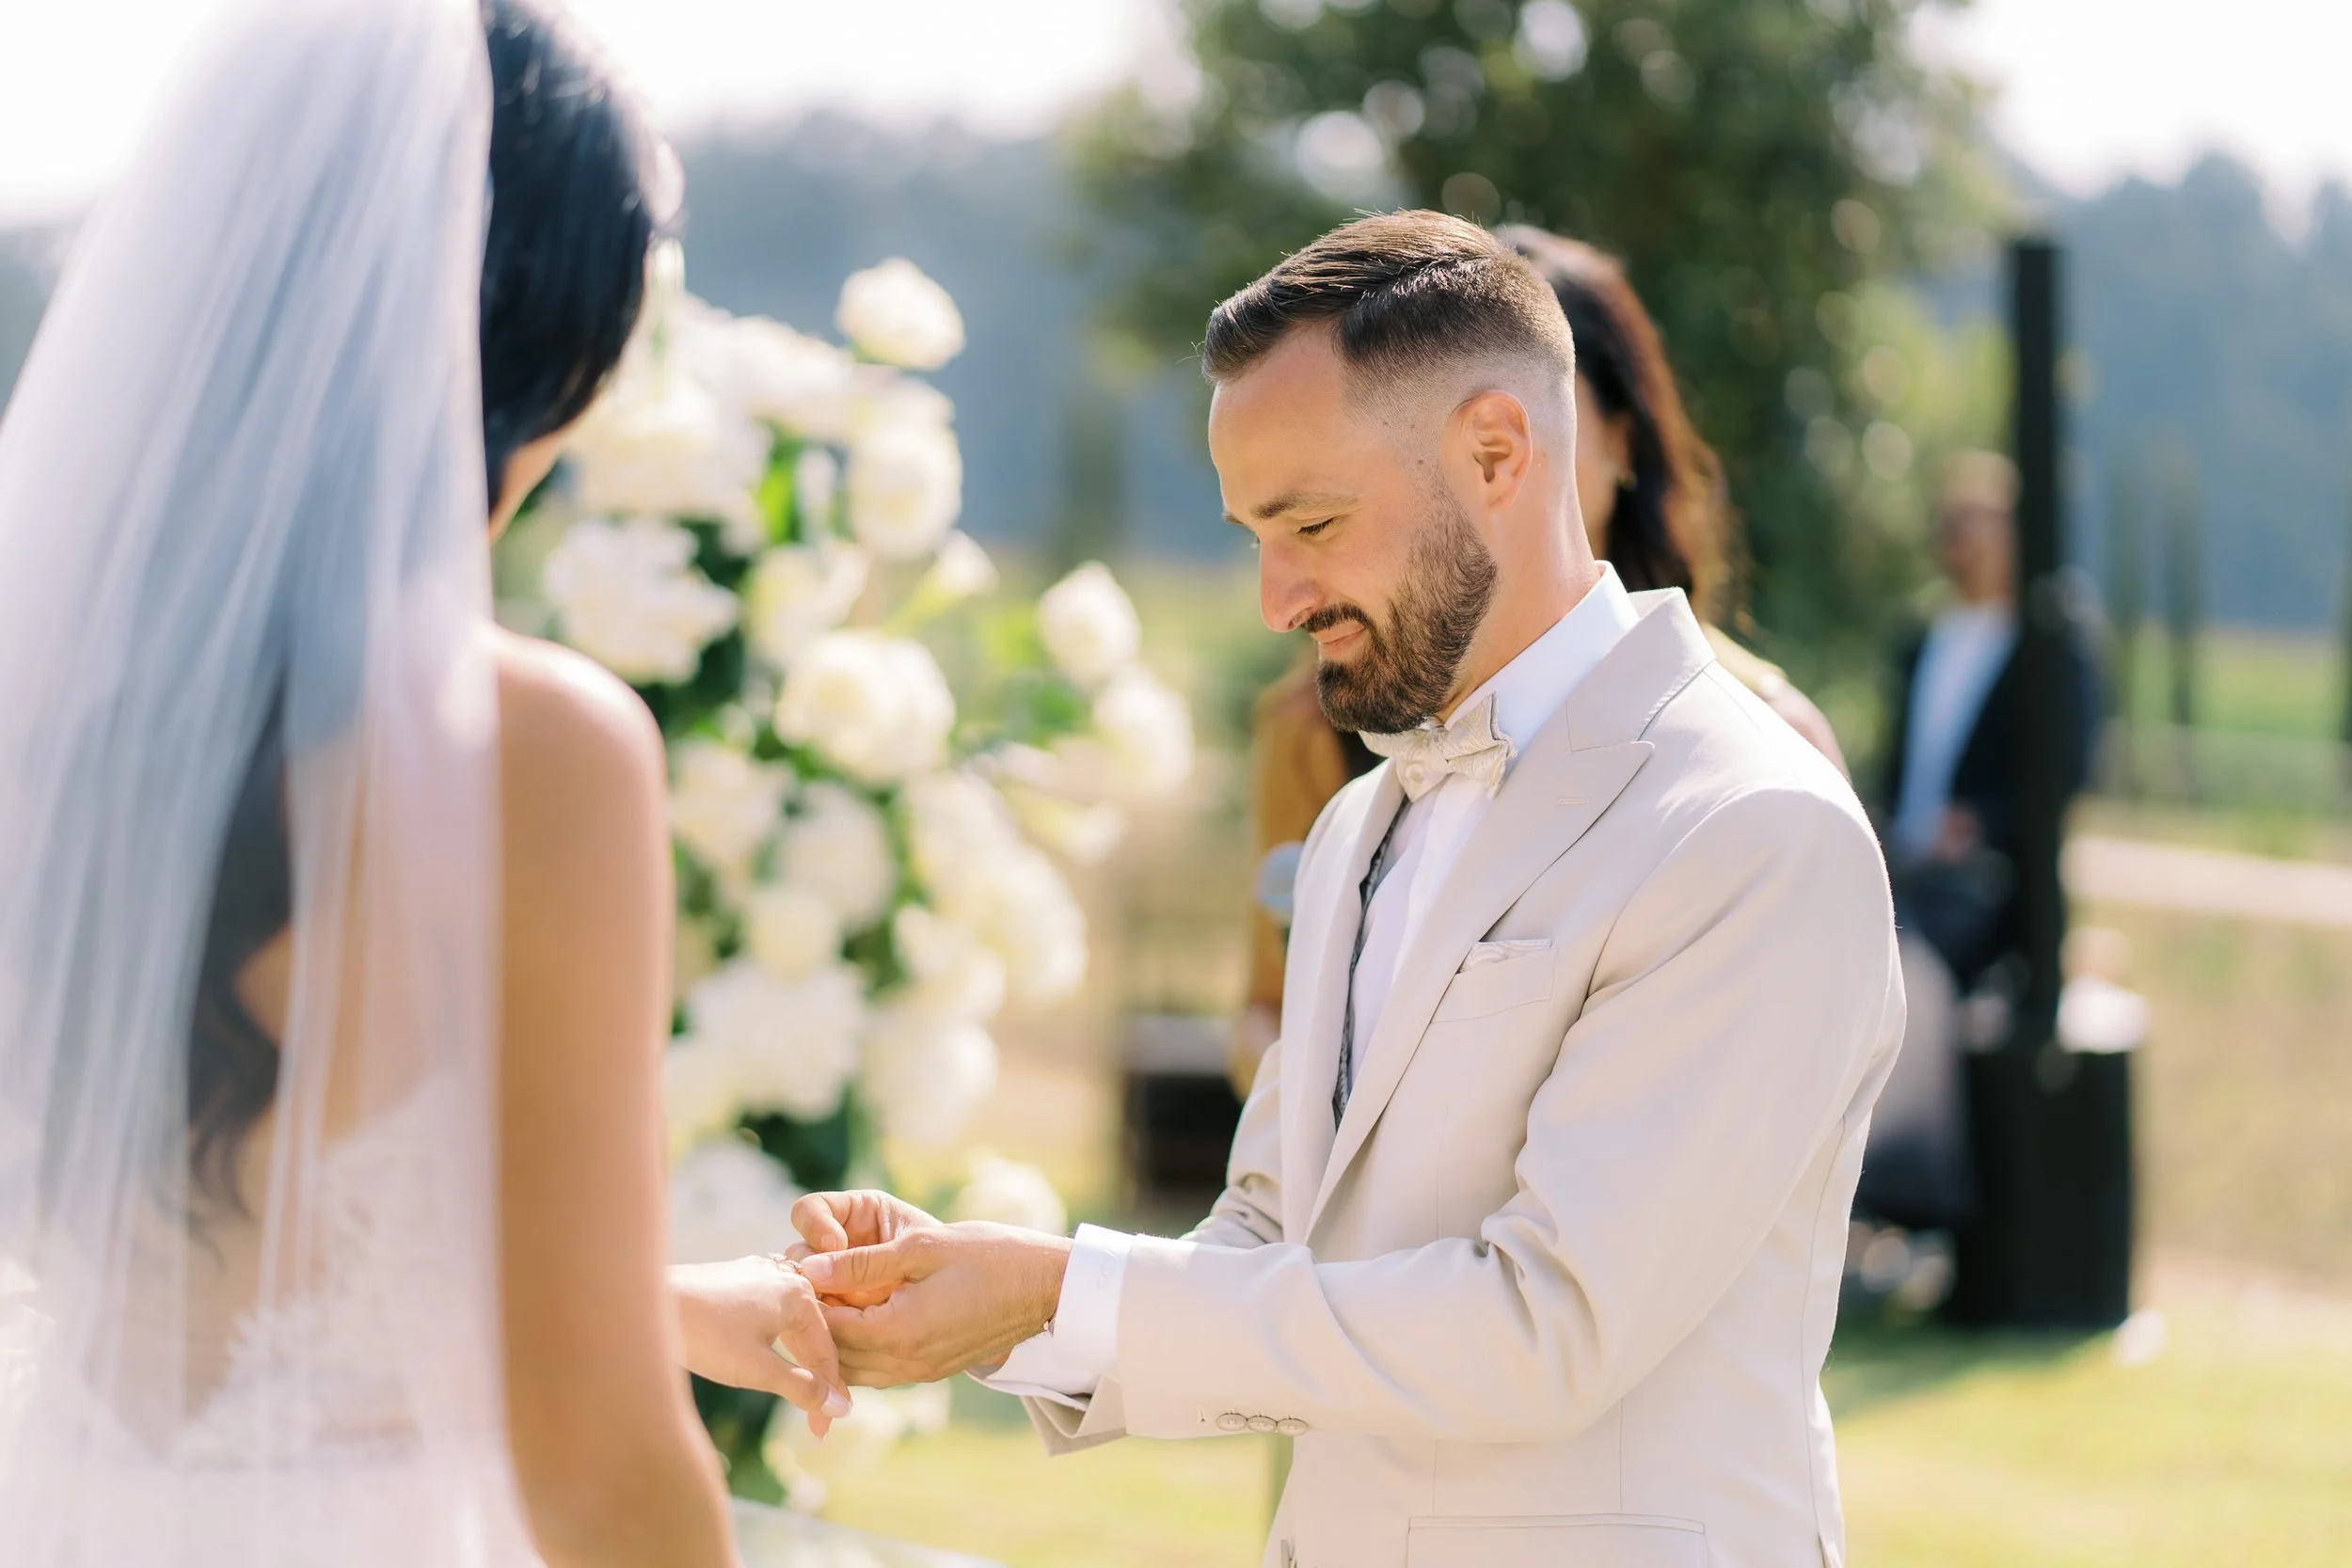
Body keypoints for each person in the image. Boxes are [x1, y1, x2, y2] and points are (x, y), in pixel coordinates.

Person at [747, 214, 1904, 1568]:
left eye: (1313, 522)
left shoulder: (1751, 825)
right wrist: (998, 1296)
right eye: (1252, 533)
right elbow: (1271, 1233)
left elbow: (1548, 1325)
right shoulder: (1360, 824)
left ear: (1497, 451)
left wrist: (1065, 1286)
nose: (1275, 596)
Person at [0, 2, 842, 1561]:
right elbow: (593, 1466)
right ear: (548, 329)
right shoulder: (527, 751)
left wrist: (650, 1301)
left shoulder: (40, 713)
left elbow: (221, 1260)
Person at [1226, 225, 1845, 1098]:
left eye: (1317, 523)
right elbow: (1268, 1014)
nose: (1278, 600)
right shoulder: (1320, 736)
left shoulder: (1760, 762)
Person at [1859, 451, 2100, 1230]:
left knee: (1911, 973)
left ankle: (1914, 1197)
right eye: (1950, 519)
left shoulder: (2053, 644)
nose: (1955, 536)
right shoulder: (1921, 638)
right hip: (1903, 870)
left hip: (1988, 892)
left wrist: (1979, 826)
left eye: (1974, 520)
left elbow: (2065, 770)